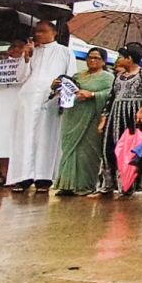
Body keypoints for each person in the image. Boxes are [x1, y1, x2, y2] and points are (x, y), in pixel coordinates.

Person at [8, 21, 78, 192]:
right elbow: (20, 77)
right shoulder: (31, 51)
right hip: (28, 98)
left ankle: (43, 178)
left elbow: (71, 77)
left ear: (54, 32)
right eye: (36, 31)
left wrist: (62, 94)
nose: (38, 34)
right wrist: (26, 58)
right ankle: (23, 177)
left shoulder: (65, 51)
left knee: (47, 137)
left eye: (43, 31)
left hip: (50, 99)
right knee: (25, 136)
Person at [98, 42, 142, 196]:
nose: (118, 59)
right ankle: (109, 184)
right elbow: (111, 98)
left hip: (135, 118)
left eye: (121, 56)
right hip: (115, 117)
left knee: (131, 150)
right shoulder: (119, 77)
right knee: (109, 149)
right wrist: (104, 118)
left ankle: (128, 185)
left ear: (130, 58)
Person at [54, 47, 113, 196]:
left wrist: (92, 94)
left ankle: (84, 186)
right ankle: (67, 185)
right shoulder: (77, 76)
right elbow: (66, 92)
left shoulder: (107, 78)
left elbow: (110, 95)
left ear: (103, 61)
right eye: (90, 57)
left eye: (96, 58)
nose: (92, 60)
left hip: (92, 119)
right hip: (72, 117)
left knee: (87, 153)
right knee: (69, 151)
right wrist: (56, 86)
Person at [0, 38, 31, 187]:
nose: (15, 49)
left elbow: (23, 78)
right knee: (0, 139)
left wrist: (26, 59)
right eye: (13, 46)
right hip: (0, 105)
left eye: (19, 46)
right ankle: (3, 173)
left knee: (16, 140)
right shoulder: (0, 64)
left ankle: (16, 176)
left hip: (18, 104)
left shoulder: (30, 63)